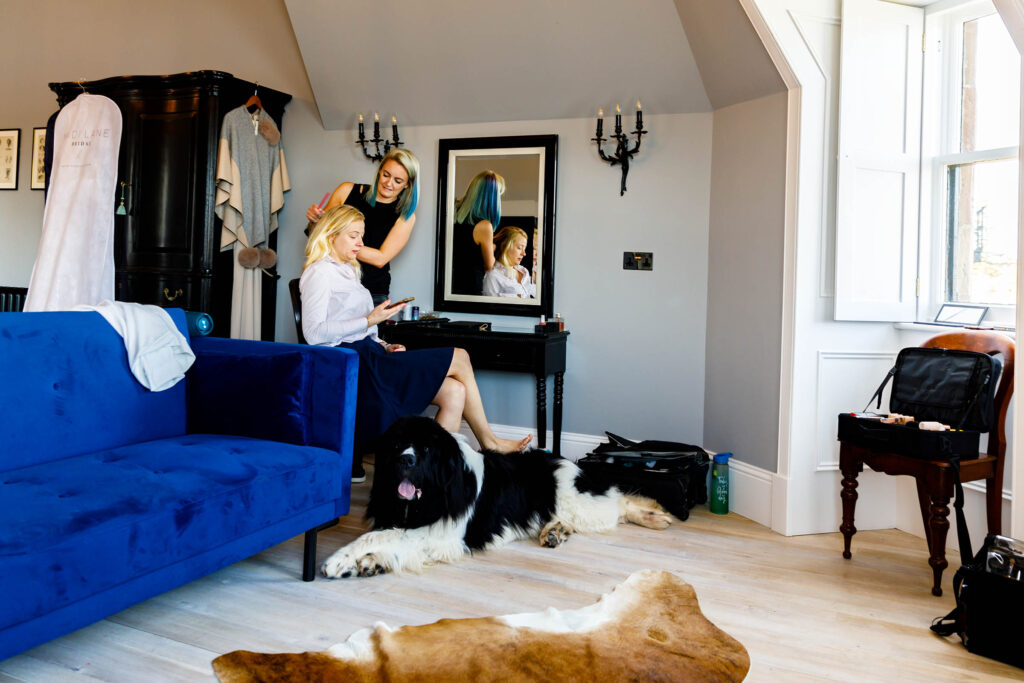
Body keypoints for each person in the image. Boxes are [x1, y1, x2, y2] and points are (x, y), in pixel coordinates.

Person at [300, 206, 531, 480]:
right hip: (352, 366)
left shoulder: (349, 271)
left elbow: (362, 328)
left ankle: (429, 475)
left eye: (361, 236)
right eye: (354, 236)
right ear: (331, 234)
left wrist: (384, 344)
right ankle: (490, 442)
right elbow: (313, 334)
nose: (361, 243)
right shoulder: (318, 273)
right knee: (460, 356)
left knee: (455, 391)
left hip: (372, 354)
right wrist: (369, 320)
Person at [306, 148, 419, 305]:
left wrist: (340, 242)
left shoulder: (405, 216)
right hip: (331, 282)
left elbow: (380, 258)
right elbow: (317, 233)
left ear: (407, 185)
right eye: (386, 175)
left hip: (371, 290)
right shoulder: (347, 191)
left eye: (398, 181)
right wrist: (314, 220)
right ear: (379, 172)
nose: (388, 183)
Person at [451, 170, 504, 295]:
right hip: (471, 288)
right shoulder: (484, 226)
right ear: (493, 198)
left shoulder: (453, 212)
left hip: (451, 286)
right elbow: (489, 266)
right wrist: (493, 246)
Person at [482, 226, 536, 299]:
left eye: (524, 249)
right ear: (504, 246)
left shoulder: (524, 271)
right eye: (519, 248)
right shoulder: (492, 276)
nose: (524, 254)